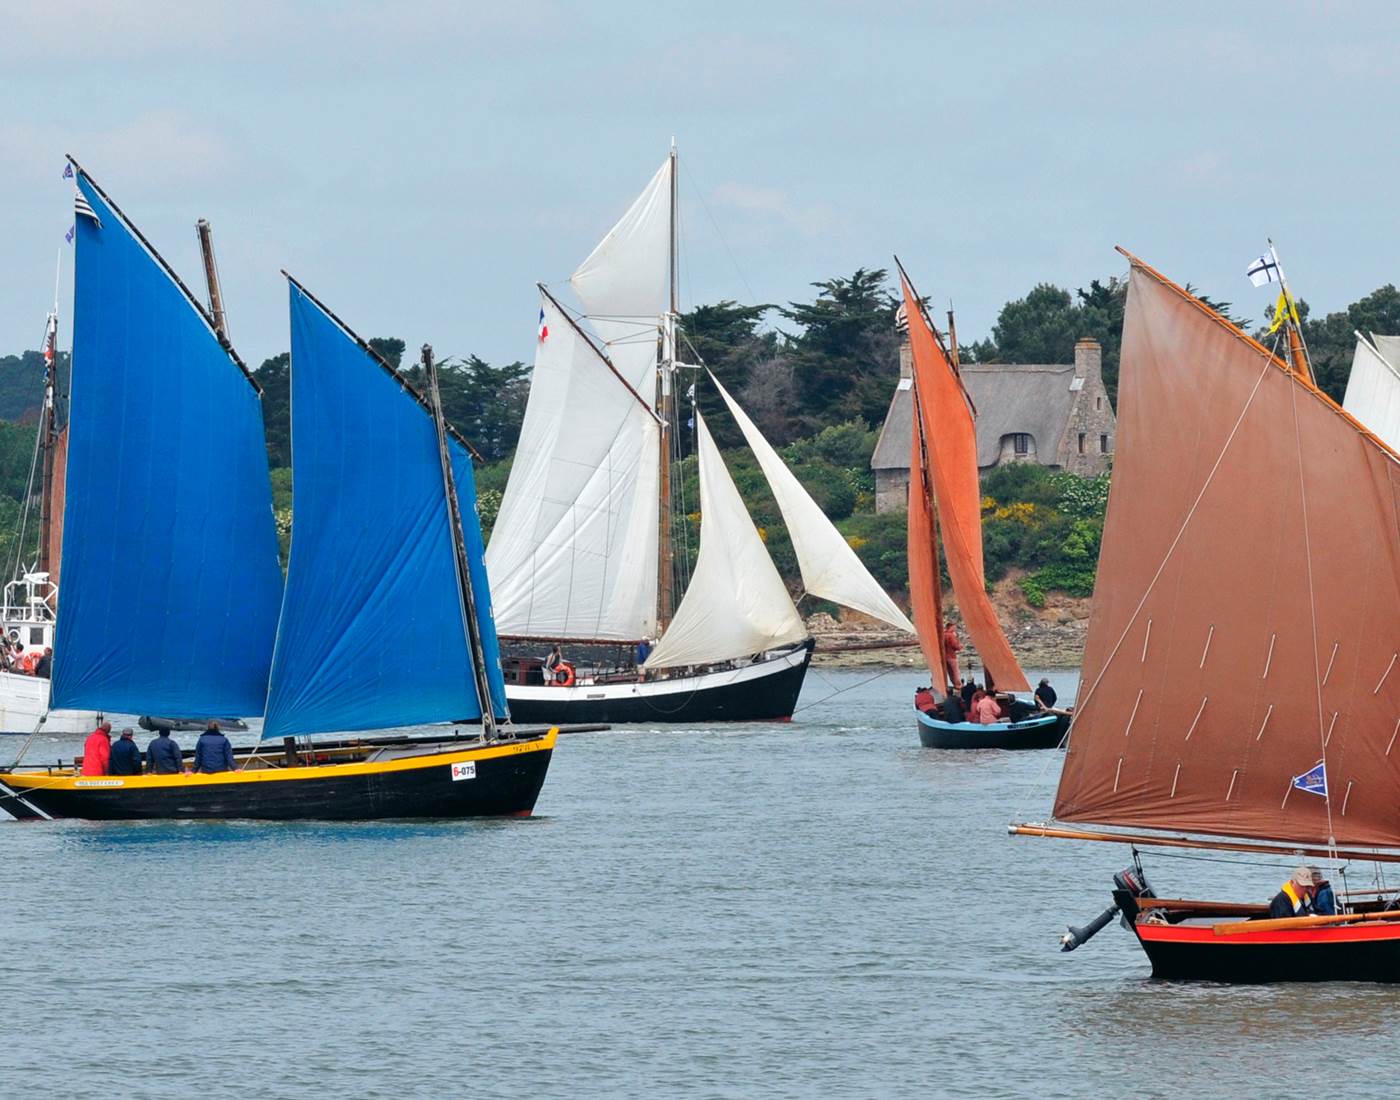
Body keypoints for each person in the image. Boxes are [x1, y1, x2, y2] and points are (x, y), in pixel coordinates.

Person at [942, 623, 963, 689]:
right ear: (951, 627)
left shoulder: (943, 635)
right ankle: (958, 686)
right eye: (954, 627)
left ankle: (954, 684)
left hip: (944, 657)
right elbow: (955, 646)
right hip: (951, 656)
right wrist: (960, 646)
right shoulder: (951, 636)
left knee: (950, 672)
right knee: (955, 672)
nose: (955, 629)